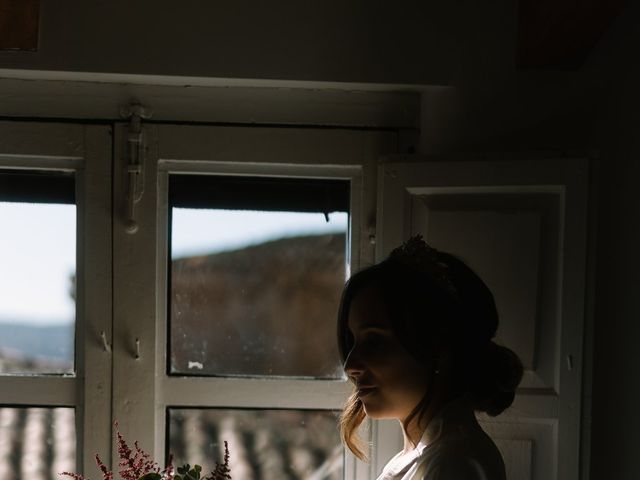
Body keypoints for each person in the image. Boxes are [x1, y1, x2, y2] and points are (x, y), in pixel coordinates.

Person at [337, 236, 523, 480]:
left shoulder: (455, 466)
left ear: (439, 346)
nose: (351, 366)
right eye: (352, 341)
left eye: (374, 341)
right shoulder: (428, 457)